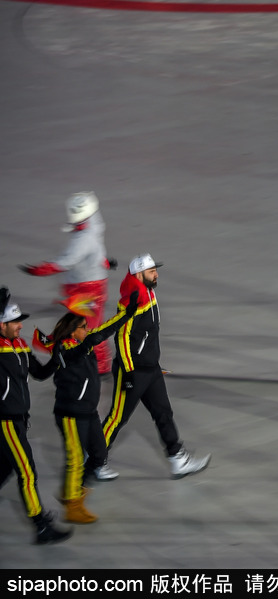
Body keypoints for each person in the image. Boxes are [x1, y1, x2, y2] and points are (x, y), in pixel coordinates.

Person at [99, 254, 210, 479]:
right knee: (117, 418)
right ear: (138, 275)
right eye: (151, 271)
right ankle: (94, 460)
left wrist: (152, 359)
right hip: (132, 370)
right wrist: (129, 371)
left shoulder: (149, 292)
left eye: (155, 270)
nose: (156, 274)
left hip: (150, 368)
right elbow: (122, 336)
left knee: (163, 413)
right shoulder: (133, 299)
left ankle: (177, 459)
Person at [49, 292, 138, 523]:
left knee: (99, 455)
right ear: (73, 330)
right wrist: (122, 316)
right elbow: (95, 337)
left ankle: (73, 492)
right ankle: (73, 506)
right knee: (75, 459)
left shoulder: (81, 345)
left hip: (88, 413)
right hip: (70, 414)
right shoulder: (64, 349)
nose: (87, 330)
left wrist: (125, 315)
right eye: (83, 327)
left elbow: (98, 334)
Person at [0, 287, 72, 544]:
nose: (20, 326)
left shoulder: (19, 345)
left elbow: (39, 374)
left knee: (7, 464)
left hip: (19, 418)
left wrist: (56, 357)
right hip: (5, 421)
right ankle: (41, 526)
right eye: (15, 322)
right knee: (27, 472)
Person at [19, 192, 117, 374]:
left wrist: (39, 270)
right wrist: (103, 262)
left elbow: (64, 262)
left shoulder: (83, 238)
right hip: (86, 286)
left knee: (90, 328)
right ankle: (74, 354)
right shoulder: (94, 224)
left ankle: (100, 367)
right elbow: (96, 249)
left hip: (87, 289)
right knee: (80, 324)